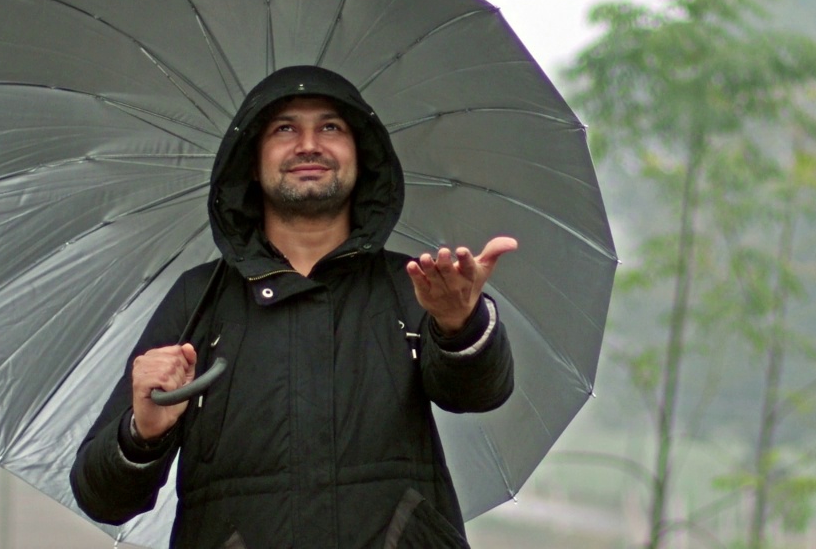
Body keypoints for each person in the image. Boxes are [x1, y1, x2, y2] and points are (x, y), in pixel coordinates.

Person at [70, 65, 515, 549]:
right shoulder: (198, 299)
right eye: (285, 128)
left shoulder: (416, 283)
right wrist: (142, 433)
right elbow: (103, 498)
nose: (309, 144)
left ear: (362, 157)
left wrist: (458, 324)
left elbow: (479, 393)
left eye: (331, 127)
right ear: (252, 160)